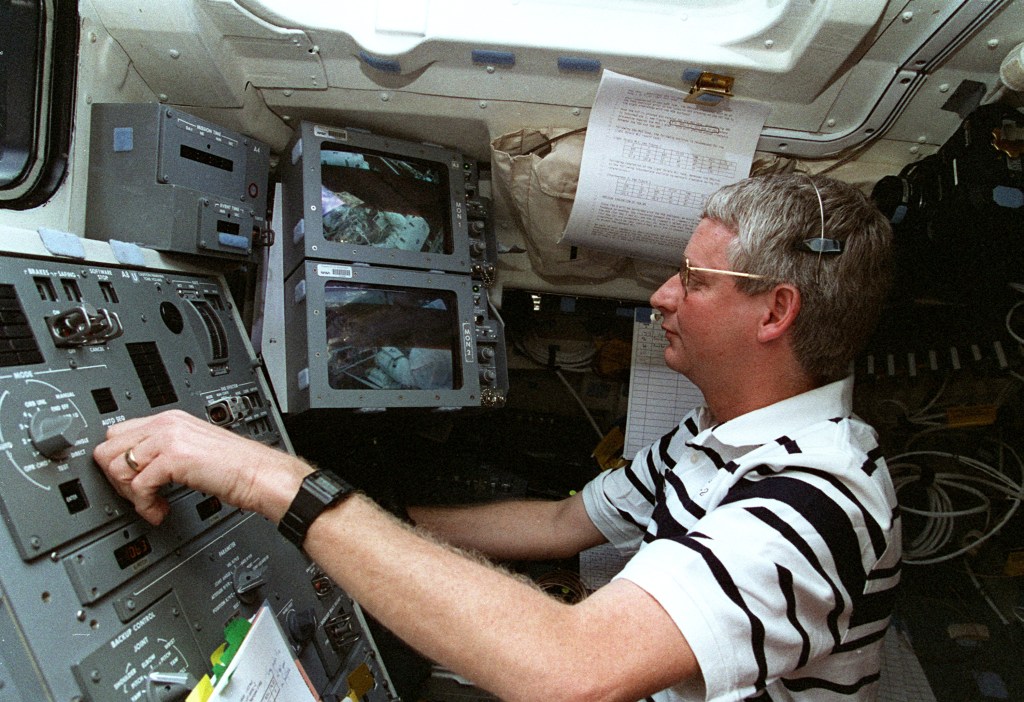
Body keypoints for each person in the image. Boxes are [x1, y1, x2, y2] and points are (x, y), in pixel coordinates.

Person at [94, 173, 901, 702]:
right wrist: (367, 526)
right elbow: (560, 524)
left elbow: (572, 668)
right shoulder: (716, 433)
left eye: (691, 280)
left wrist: (274, 484)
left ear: (774, 311)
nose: (660, 297)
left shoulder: (823, 494)